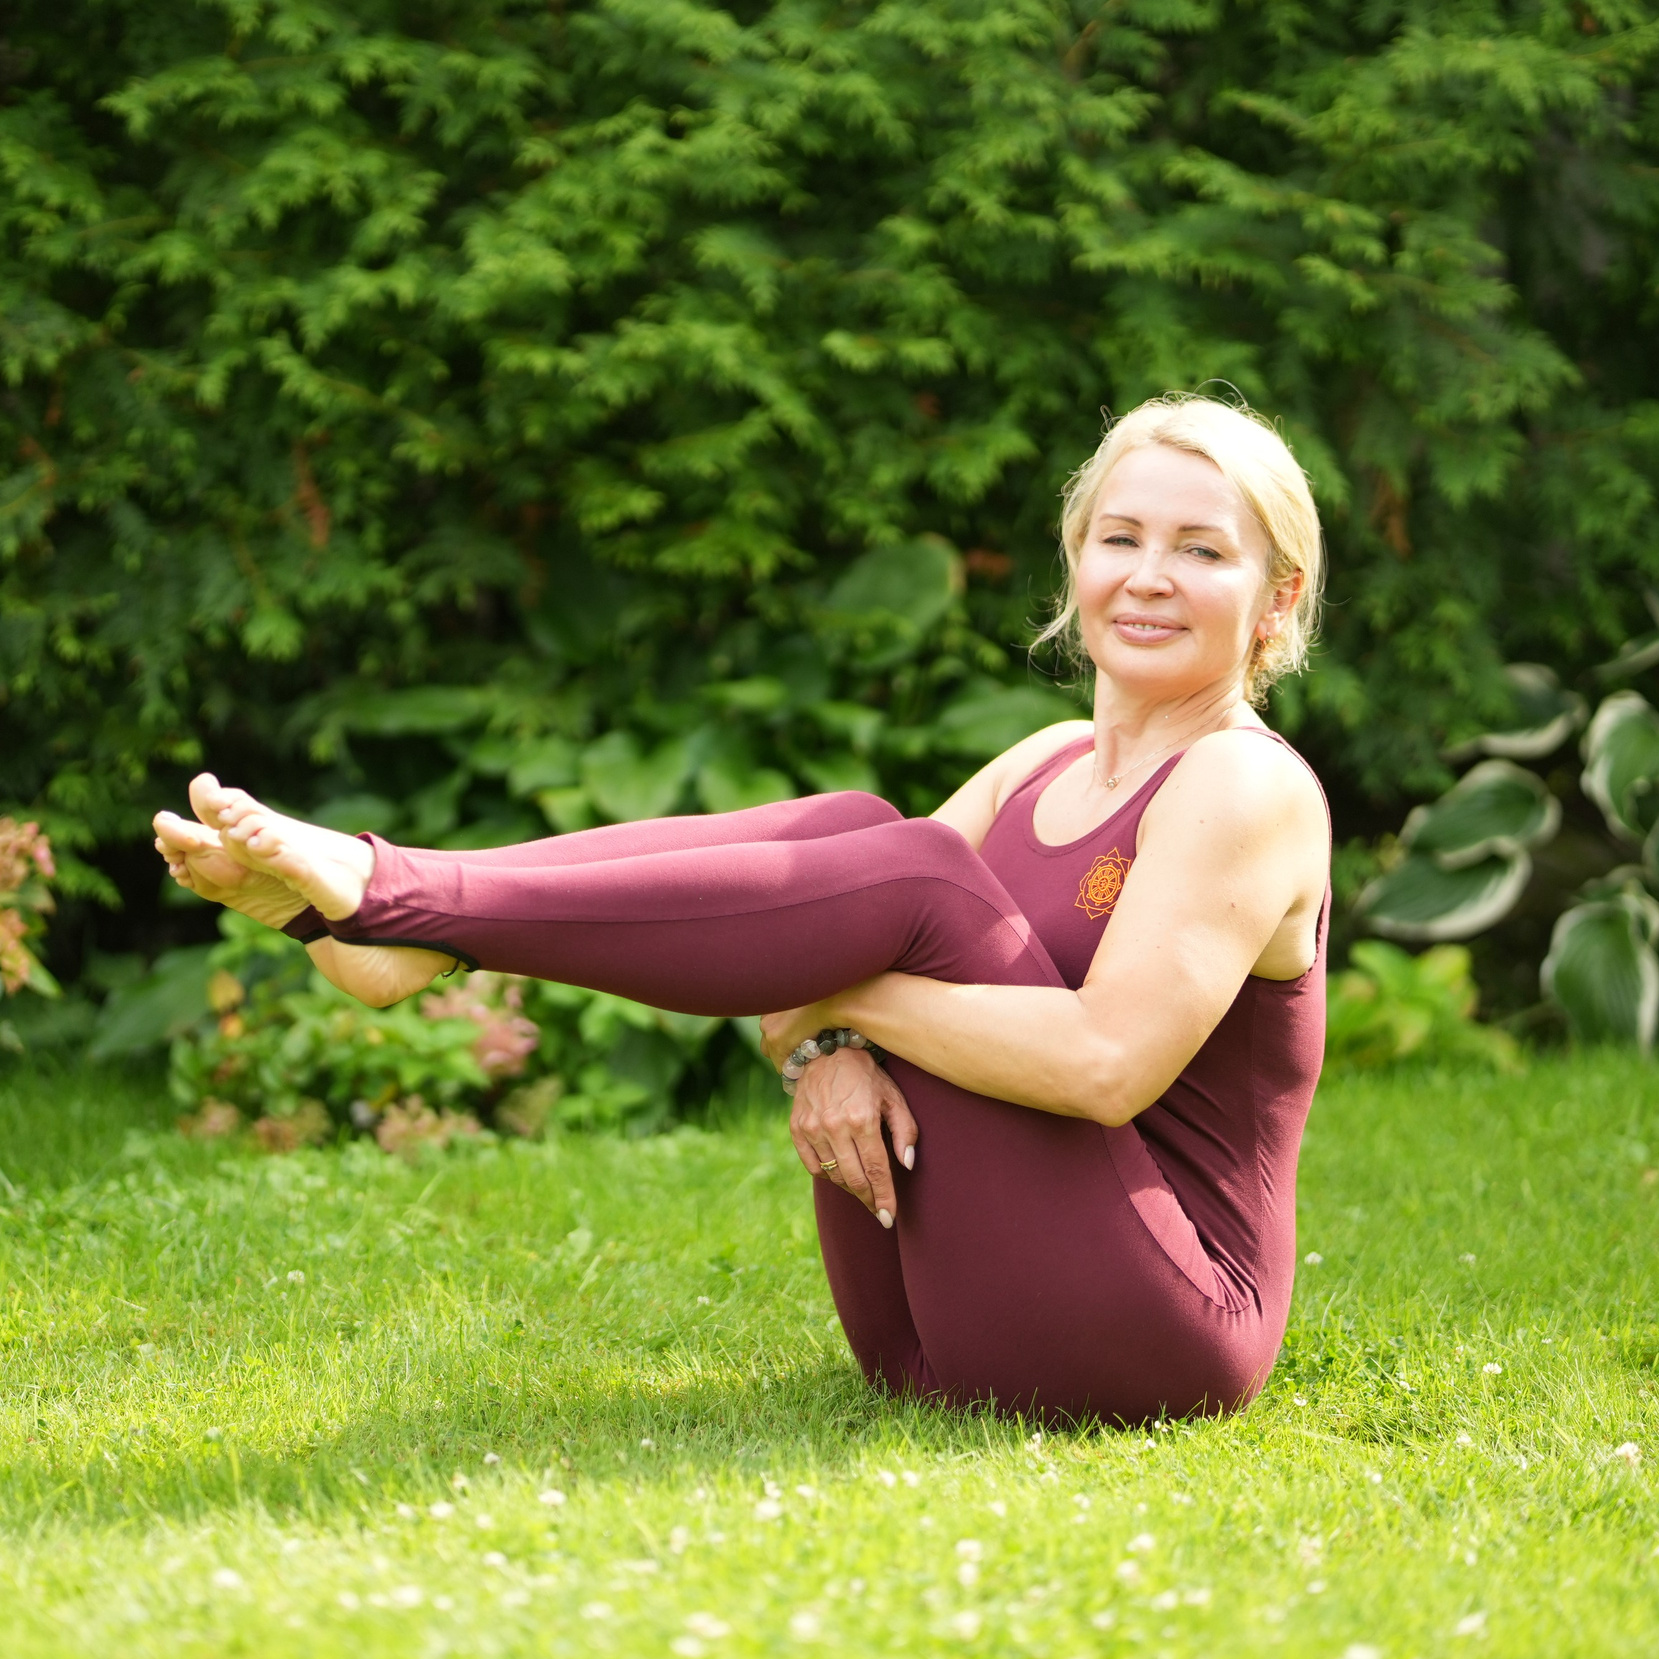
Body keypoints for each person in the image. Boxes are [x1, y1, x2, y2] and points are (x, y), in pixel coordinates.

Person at [152, 394, 1331, 1425]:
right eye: (1118, 537)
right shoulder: (1047, 758)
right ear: (1076, 563)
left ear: (1273, 602)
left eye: (1200, 552)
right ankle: (408, 929)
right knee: (861, 831)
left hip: (1153, 1332)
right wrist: (824, 1040)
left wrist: (849, 999)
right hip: (935, 1337)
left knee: (911, 871)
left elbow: (1103, 1064)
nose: (1148, 576)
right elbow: (805, 961)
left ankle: (404, 905)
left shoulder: (1244, 783)